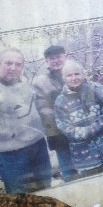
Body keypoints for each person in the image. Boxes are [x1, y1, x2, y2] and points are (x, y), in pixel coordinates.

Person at [54, 60, 103, 177]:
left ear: (83, 74)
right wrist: (88, 131)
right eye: (69, 75)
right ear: (64, 78)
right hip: (85, 154)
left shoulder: (97, 88)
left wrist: (95, 127)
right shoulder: (60, 101)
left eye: (77, 74)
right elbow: (65, 128)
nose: (74, 78)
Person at [0, 48, 52, 193]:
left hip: (38, 145)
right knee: (20, 196)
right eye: (8, 63)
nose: (13, 68)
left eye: (18, 64)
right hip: (12, 154)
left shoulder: (25, 83)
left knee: (45, 188)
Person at [32, 45, 76, 182]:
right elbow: (42, 109)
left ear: (65, 57)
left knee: (88, 165)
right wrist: (65, 118)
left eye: (58, 57)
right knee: (68, 169)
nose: (56, 61)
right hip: (58, 134)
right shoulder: (40, 83)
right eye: (52, 58)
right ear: (47, 61)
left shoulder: (76, 74)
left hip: (82, 130)